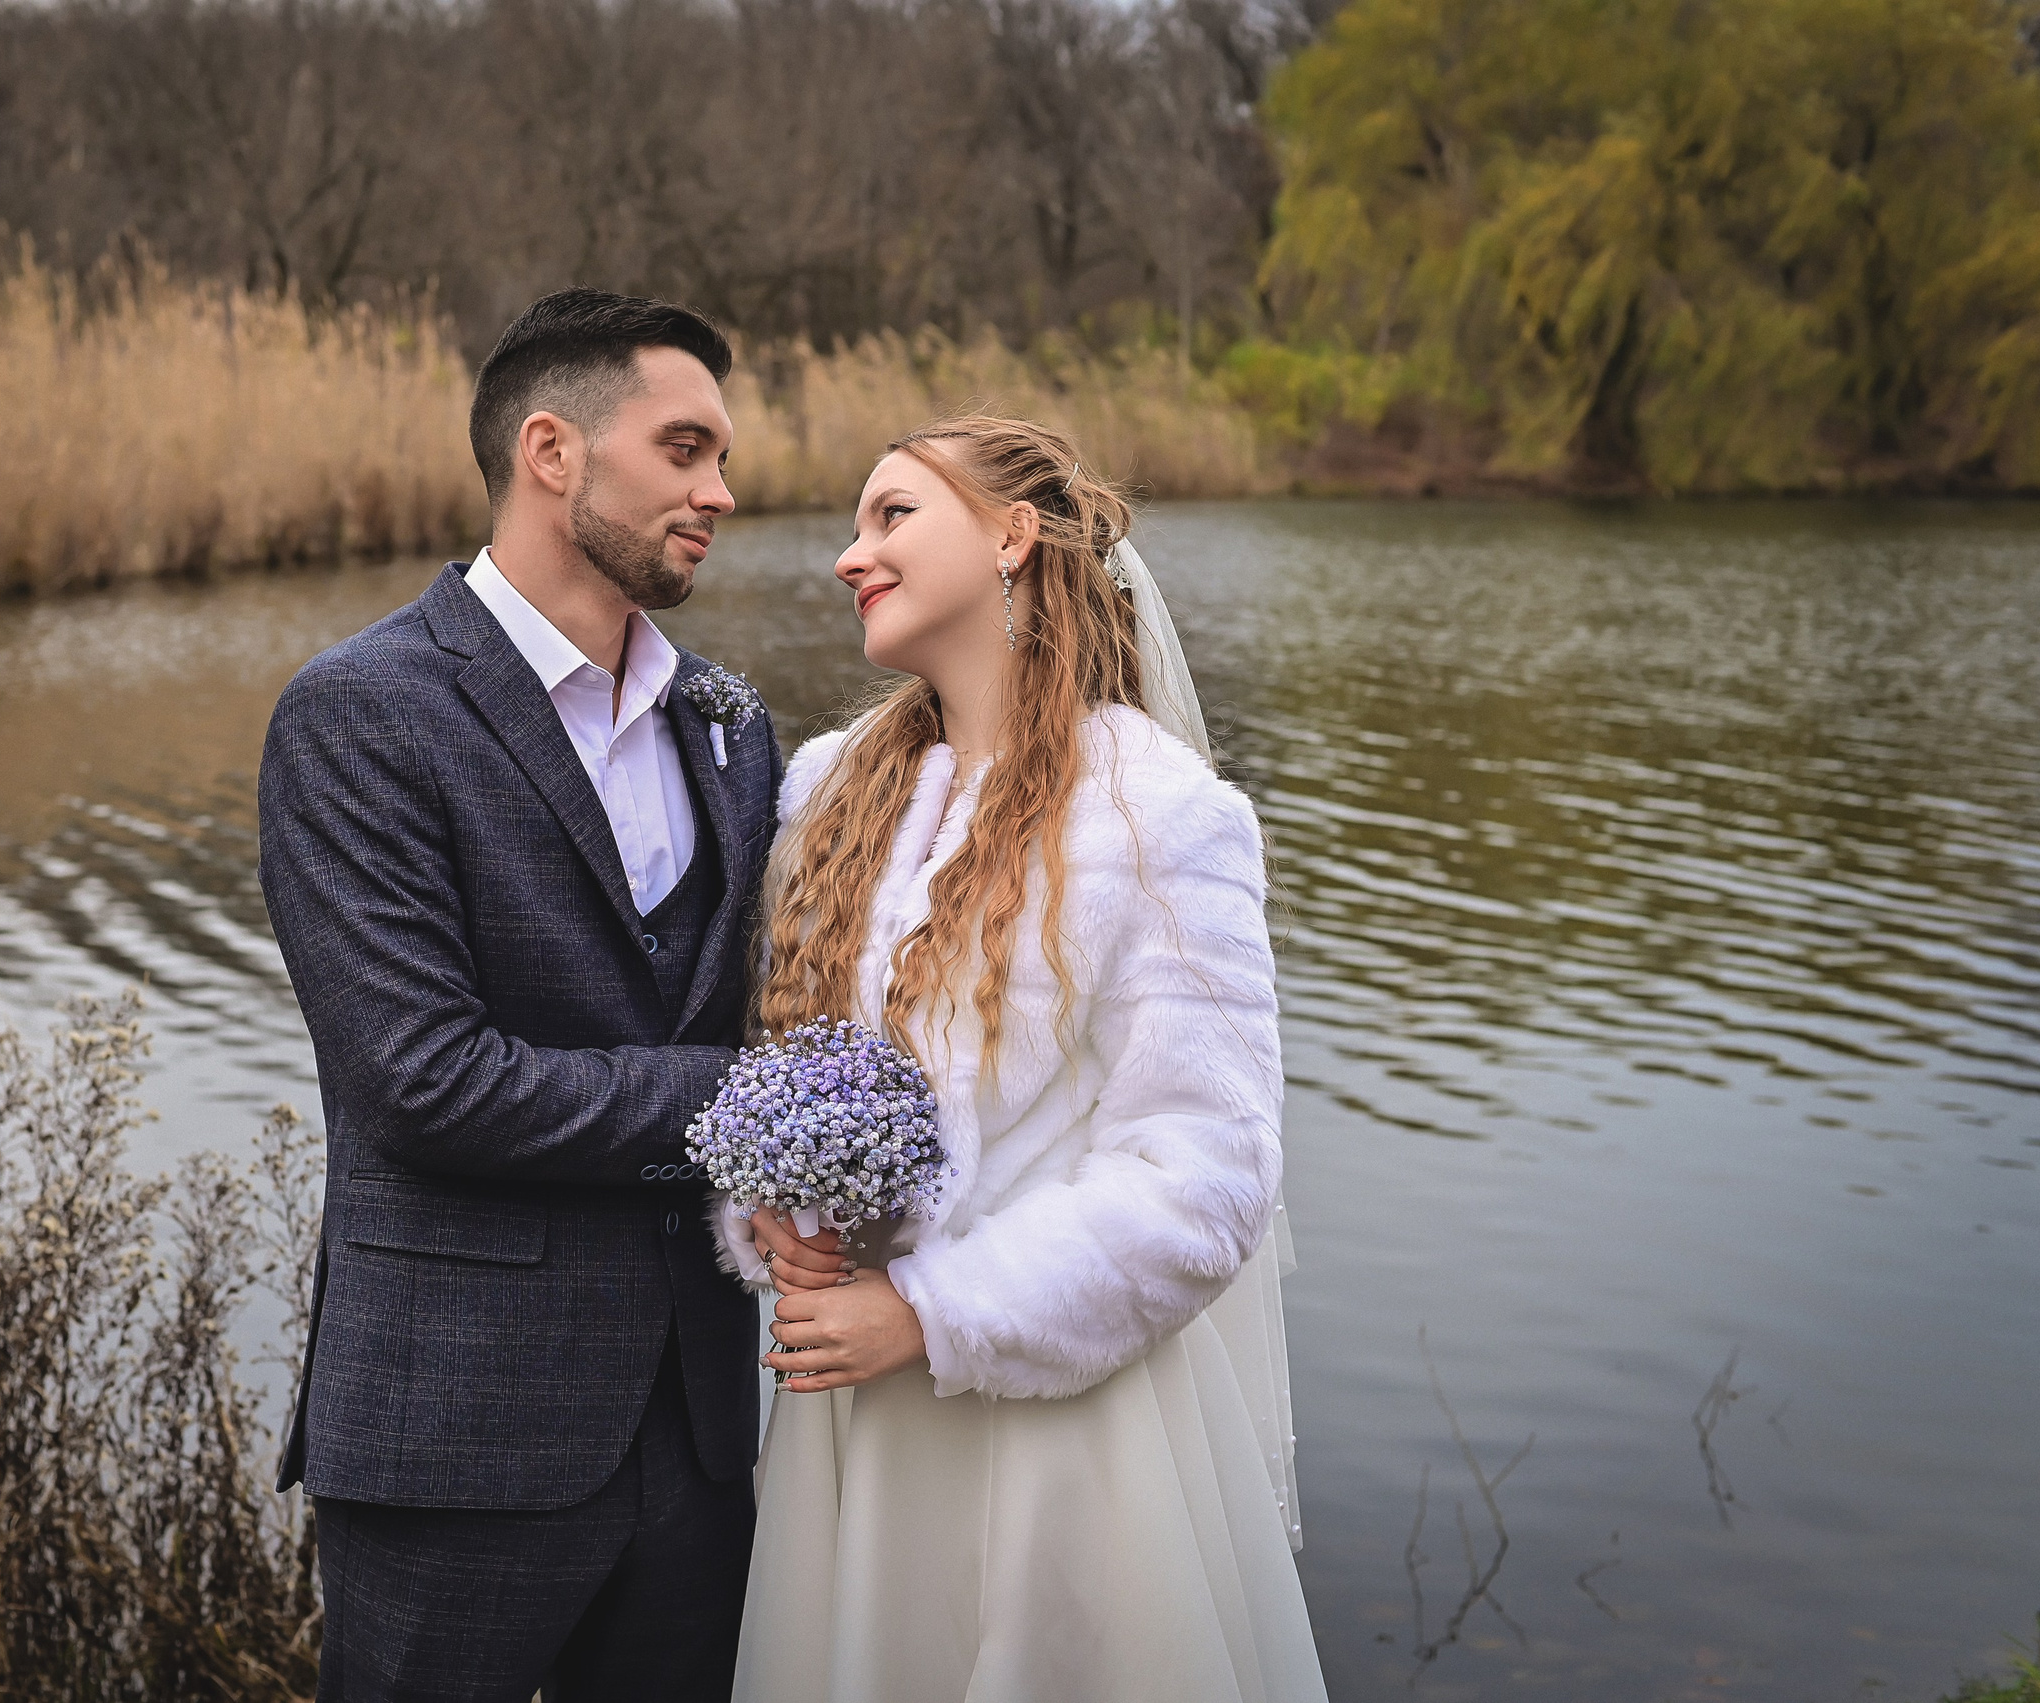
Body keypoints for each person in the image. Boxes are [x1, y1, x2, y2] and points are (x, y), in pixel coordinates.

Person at [717, 416, 1328, 1702]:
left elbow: (1205, 1175)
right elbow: (788, 1068)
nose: (847, 554)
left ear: (1011, 534)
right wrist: (774, 1213)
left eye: (891, 515)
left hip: (1060, 1433)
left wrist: (932, 1313)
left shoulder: (1156, 814)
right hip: (853, 1426)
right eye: (855, 523)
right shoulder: (829, 790)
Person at [258, 288, 784, 1702]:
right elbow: (421, 1080)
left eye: (721, 455)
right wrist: (751, 1103)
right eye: (684, 448)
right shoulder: (361, 710)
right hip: (459, 1429)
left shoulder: (732, 725)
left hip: (703, 1430)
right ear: (553, 451)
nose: (721, 490)